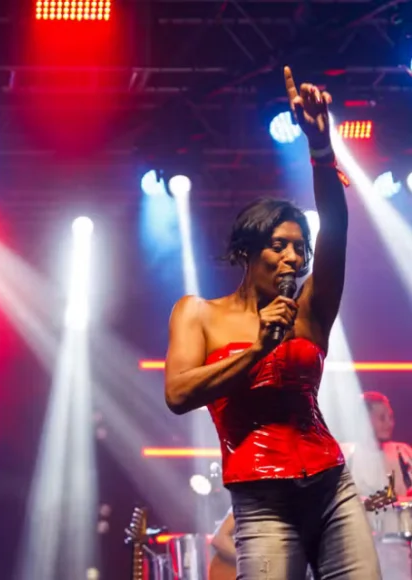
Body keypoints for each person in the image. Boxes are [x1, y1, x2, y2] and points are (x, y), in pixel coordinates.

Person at [164, 65, 380, 579]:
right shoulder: (197, 312)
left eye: (299, 249)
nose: (292, 257)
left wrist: (321, 149)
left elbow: (338, 232)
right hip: (261, 498)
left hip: (331, 486)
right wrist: (258, 349)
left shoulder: (309, 308)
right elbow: (177, 394)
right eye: (278, 245)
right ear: (246, 251)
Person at [344, 392, 412, 580]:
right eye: (382, 417)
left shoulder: (402, 454)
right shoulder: (345, 455)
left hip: (394, 550)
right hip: (355, 548)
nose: (390, 423)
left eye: (391, 417)